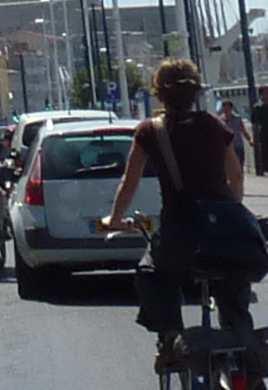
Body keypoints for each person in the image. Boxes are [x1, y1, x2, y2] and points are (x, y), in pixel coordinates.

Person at [100, 57, 245, 363]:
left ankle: (170, 339)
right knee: (234, 285)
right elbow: (237, 176)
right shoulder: (216, 126)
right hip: (225, 232)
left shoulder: (150, 131)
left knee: (151, 274)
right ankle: (242, 347)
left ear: (159, 95)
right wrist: (231, 211)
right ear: (196, 92)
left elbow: (130, 181)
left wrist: (115, 219)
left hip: (181, 233)